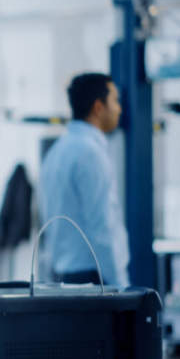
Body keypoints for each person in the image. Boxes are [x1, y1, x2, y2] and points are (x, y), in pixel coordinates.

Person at [41, 73, 129, 287]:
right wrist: (123, 288)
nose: (120, 109)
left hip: (66, 275)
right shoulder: (90, 154)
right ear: (98, 107)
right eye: (115, 101)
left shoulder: (57, 150)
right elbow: (102, 228)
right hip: (94, 278)